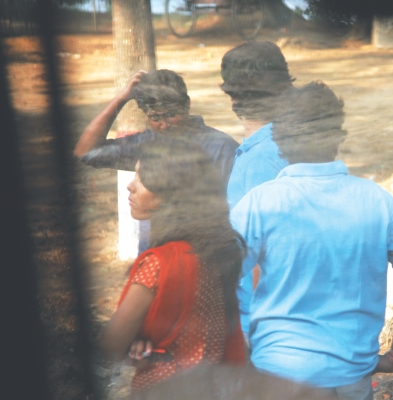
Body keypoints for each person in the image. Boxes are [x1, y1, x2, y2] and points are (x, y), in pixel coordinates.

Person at [230, 82, 393, 399]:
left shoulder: (259, 203)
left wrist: (241, 345)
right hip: (352, 376)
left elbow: (216, 276)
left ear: (279, 140)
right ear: (338, 136)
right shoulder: (376, 200)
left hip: (279, 376)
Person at [100, 143, 246, 392]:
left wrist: (134, 344)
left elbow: (111, 345)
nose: (130, 185)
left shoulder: (159, 263)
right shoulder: (216, 251)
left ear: (172, 194)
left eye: (142, 179)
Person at [74, 69, 239, 253]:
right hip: (157, 253)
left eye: (171, 114)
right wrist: (121, 98)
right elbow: (86, 152)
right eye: (155, 117)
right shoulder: (149, 143)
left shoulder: (221, 147)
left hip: (205, 252)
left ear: (186, 105)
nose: (164, 124)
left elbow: (236, 210)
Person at [219, 41, 294, 336]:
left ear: (233, 97)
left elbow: (264, 247)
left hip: (260, 320)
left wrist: (256, 329)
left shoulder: (259, 160)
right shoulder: (284, 143)